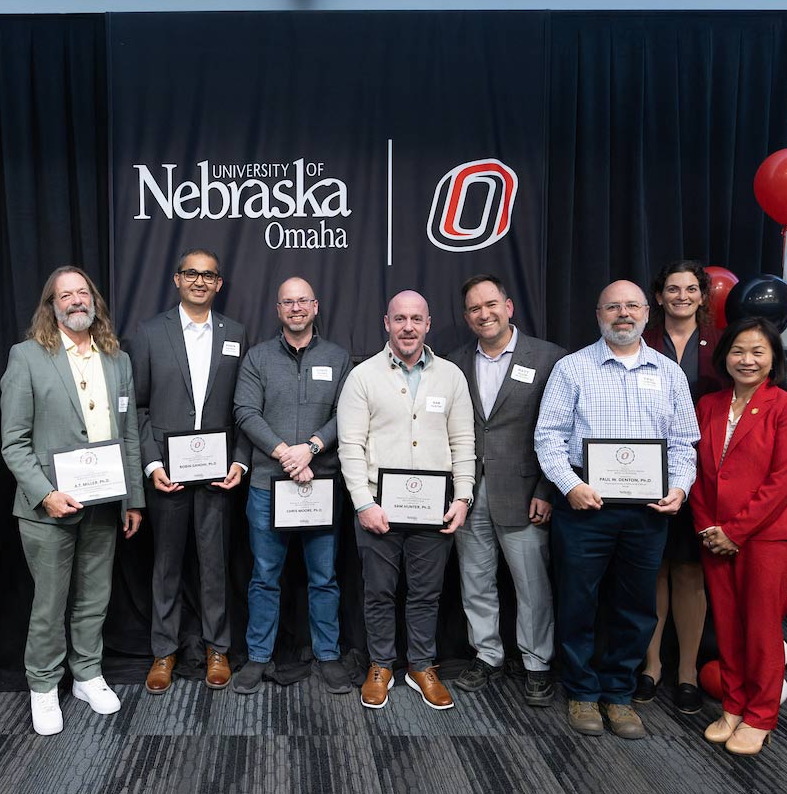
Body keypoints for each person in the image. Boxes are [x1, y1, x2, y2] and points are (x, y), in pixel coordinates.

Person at [534, 280, 698, 740]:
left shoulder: (669, 373)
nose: (622, 314)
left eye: (631, 306)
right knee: (578, 602)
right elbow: (547, 438)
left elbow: (685, 445)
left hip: (647, 511)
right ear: (598, 313)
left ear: (648, 312)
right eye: (612, 306)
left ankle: (620, 694)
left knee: (636, 607)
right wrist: (570, 485)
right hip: (586, 506)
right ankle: (583, 690)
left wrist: (681, 489)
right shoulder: (572, 369)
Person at [0, 266, 145, 733]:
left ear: (94, 301)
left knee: (94, 596)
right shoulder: (26, 357)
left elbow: (128, 437)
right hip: (49, 508)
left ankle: (87, 673)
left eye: (83, 293)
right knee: (50, 602)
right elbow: (13, 443)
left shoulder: (116, 358)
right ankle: (43, 686)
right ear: (52, 305)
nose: (76, 300)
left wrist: (133, 500)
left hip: (104, 502)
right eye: (66, 295)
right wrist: (45, 494)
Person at [337, 290, 476, 711]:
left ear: (428, 324)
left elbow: (463, 441)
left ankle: (420, 665)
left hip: (435, 508)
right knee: (378, 593)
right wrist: (363, 503)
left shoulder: (451, 375)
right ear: (387, 323)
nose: (408, 327)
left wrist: (464, 495)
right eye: (400, 319)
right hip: (380, 507)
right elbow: (350, 446)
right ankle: (381, 664)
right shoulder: (363, 376)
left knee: (426, 594)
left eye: (416, 318)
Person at [690, 317, 787, 756]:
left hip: (766, 538)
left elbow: (785, 479)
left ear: (773, 359)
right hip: (715, 536)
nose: (747, 360)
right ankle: (734, 705)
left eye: (758, 352)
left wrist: (736, 531)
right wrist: (708, 526)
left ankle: (761, 716)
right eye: (738, 351)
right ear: (725, 355)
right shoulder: (709, 405)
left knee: (761, 630)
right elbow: (699, 472)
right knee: (726, 625)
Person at [127, 249, 248, 694]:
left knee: (215, 563)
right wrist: (152, 463)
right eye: (191, 273)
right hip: (167, 473)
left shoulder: (235, 333)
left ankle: (218, 647)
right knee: (166, 564)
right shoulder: (149, 332)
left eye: (209, 275)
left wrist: (240, 460)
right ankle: (164, 651)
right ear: (177, 279)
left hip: (218, 472)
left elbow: (243, 407)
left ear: (219, 284)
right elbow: (138, 406)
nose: (200, 281)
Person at [446, 275, 565, 707]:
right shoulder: (454, 361)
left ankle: (536, 664)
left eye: (491, 304)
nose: (484, 313)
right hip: (468, 493)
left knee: (532, 586)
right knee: (475, 582)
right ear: (466, 317)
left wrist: (547, 490)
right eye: (475, 308)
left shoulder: (550, 359)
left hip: (524, 493)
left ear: (509, 306)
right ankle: (488, 655)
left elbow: (561, 432)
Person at [231, 277, 353, 694]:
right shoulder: (257, 358)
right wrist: (287, 453)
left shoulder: (338, 358)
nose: (296, 308)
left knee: (324, 576)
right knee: (264, 576)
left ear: (316, 306)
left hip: (321, 485)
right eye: (288, 302)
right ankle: (258, 656)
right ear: (278, 310)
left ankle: (329, 655)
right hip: (268, 486)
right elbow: (245, 412)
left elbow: (347, 413)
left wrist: (312, 449)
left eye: (303, 301)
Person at [636, 261, 725, 713]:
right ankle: (651, 665)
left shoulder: (721, 346)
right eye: (673, 289)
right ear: (658, 295)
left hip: (704, 474)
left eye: (691, 289)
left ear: (703, 296)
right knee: (652, 568)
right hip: (648, 473)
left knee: (690, 571)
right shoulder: (642, 341)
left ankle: (687, 670)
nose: (682, 296)